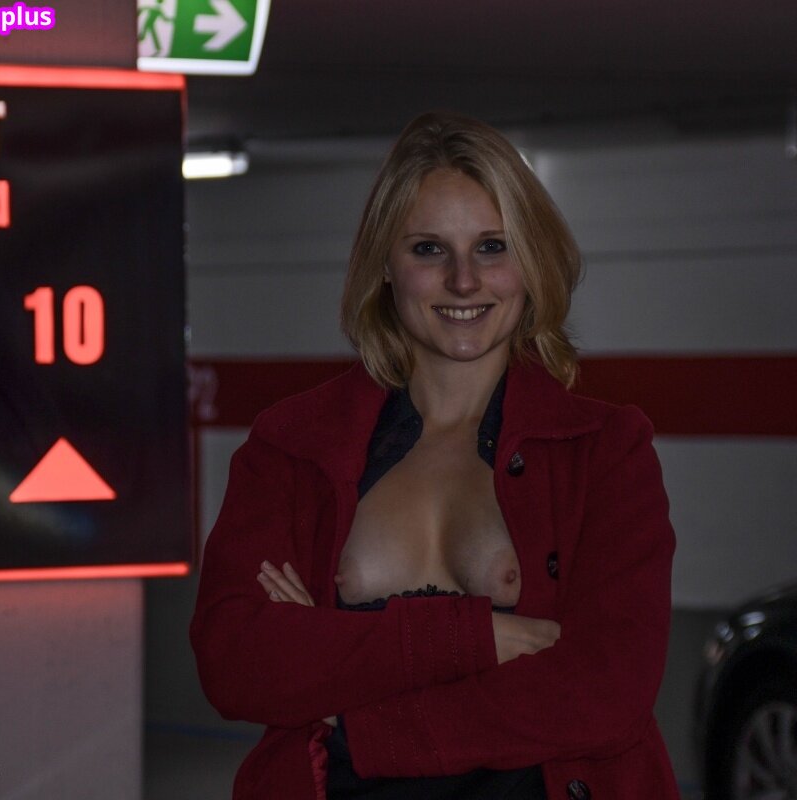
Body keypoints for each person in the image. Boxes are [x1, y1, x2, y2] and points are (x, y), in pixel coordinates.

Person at [190, 111, 679, 799]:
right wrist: (479, 641)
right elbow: (237, 661)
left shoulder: (604, 451)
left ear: (532, 263)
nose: (463, 281)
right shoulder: (294, 445)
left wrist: (357, 716)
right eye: (428, 249)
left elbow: (604, 689)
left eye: (492, 247)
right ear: (385, 268)